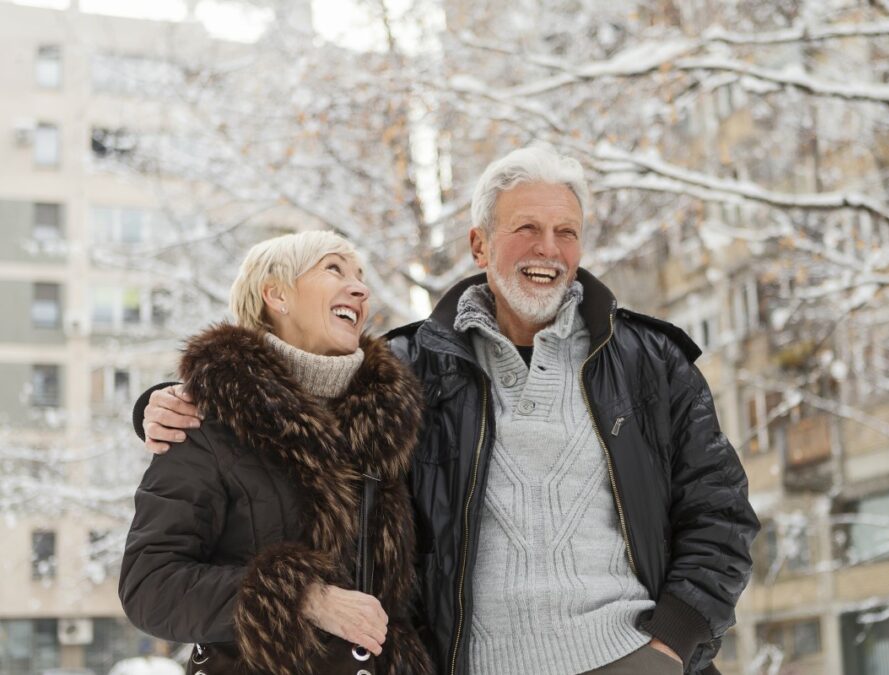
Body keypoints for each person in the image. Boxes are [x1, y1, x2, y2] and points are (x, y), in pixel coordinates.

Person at [136, 145, 759, 675]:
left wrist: (672, 646)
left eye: (566, 231)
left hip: (629, 658)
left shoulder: (650, 363)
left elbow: (721, 513)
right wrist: (162, 401)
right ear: (479, 244)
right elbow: (290, 386)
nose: (550, 249)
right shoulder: (410, 367)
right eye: (527, 229)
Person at [119, 231, 434, 675]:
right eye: (334, 269)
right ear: (277, 295)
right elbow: (149, 587)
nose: (361, 287)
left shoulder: (388, 426)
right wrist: (302, 597)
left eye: (361, 276)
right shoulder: (205, 423)